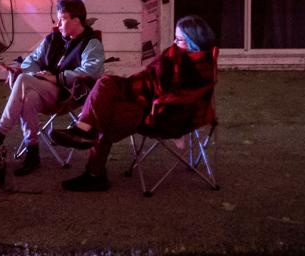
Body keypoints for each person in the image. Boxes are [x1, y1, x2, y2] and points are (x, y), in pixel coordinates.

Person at [51, 14, 218, 192]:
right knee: (105, 84)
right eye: (175, 38)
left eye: (180, 39)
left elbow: (180, 95)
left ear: (195, 40)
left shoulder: (200, 66)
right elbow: (150, 75)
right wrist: (134, 86)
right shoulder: (175, 53)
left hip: (163, 113)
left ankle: (93, 168)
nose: (175, 43)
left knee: (107, 114)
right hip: (144, 100)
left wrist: (149, 94)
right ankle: (85, 135)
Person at [0, 0, 105, 176]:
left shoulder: (91, 42)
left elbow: (91, 71)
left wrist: (56, 78)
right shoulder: (52, 39)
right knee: (29, 97)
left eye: (62, 19)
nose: (58, 24)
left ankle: (0, 132)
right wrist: (38, 75)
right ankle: (32, 151)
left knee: (23, 81)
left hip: (67, 93)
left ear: (76, 20)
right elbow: (30, 61)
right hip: (43, 89)